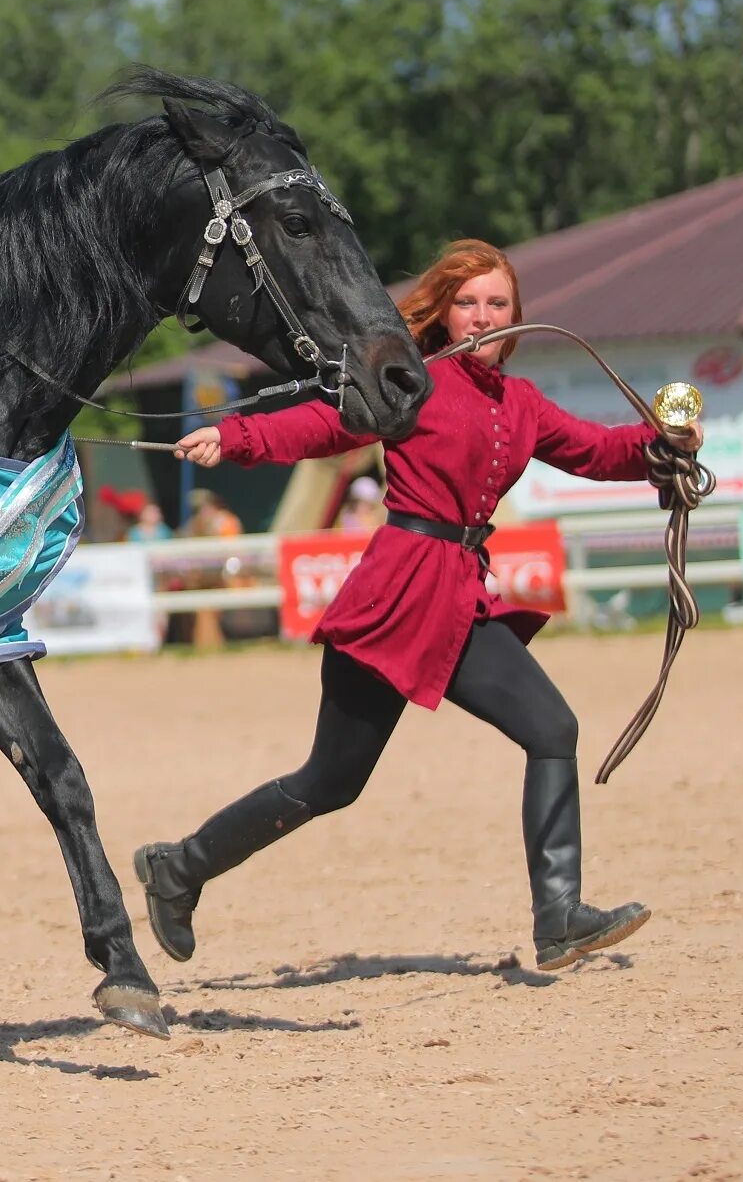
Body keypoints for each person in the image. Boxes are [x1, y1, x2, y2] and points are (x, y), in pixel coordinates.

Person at [133, 238, 705, 973]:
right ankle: (178, 868)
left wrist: (666, 446)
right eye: (468, 303)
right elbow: (321, 424)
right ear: (445, 312)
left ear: (517, 314)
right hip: (394, 599)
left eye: (497, 303)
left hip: (459, 601)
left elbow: (599, 450)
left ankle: (559, 914)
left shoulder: (523, 404)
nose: (482, 316)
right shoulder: (410, 379)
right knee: (330, 781)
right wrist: (235, 436)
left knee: (551, 726)